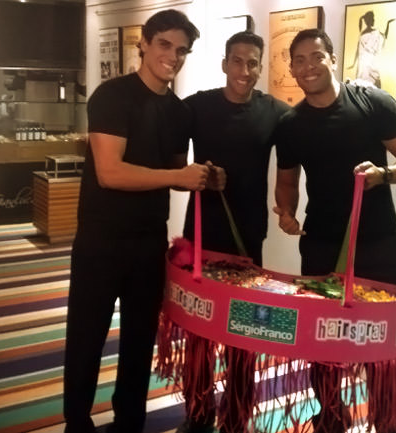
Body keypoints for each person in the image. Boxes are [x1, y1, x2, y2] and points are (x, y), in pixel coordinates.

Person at [63, 10, 224, 433]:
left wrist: (202, 178)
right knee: (86, 339)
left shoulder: (179, 113)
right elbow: (110, 173)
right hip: (101, 240)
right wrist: (177, 176)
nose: (173, 56)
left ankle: (129, 421)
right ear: (144, 44)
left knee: (139, 342)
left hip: (150, 242)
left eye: (182, 50)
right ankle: (76, 423)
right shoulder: (113, 96)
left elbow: (174, 173)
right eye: (164, 45)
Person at [274, 29, 396, 433]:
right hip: (321, 248)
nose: (309, 66)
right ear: (292, 68)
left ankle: (395, 426)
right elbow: (287, 181)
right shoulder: (290, 125)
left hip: (378, 245)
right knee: (322, 344)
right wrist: (286, 212)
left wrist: (384, 174)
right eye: (299, 60)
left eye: (316, 56)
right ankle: (330, 420)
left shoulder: (372, 103)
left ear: (333, 59)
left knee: (387, 349)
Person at [177, 31, 290, 433]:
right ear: (225, 64)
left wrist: (289, 207)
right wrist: (198, 175)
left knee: (244, 330)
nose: (245, 70)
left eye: (253, 63)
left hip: (248, 237)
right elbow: (172, 166)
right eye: (237, 61)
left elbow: (304, 148)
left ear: (261, 67)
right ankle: (198, 413)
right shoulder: (196, 107)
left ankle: (238, 415)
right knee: (199, 330)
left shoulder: (276, 112)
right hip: (202, 235)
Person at [347, 11, 395, 88]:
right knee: (363, 86)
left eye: (373, 19)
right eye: (372, 19)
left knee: (373, 86)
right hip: (364, 66)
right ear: (368, 21)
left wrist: (388, 24)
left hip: (371, 64)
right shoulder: (363, 34)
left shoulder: (375, 32)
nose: (374, 20)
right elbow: (358, 50)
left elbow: (384, 37)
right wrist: (353, 64)